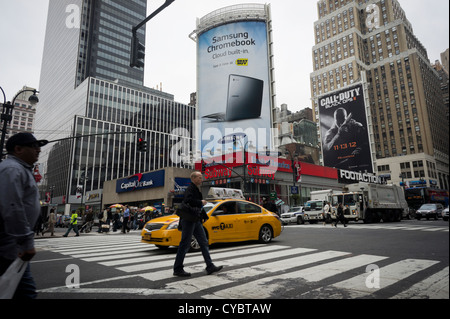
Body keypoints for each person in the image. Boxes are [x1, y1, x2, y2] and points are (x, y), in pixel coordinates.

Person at [0, 132, 49, 299]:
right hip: (9, 245)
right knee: (26, 292)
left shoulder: (20, 169)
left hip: (13, 245)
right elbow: (12, 207)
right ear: (18, 149)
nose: (38, 150)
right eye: (34, 146)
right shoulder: (12, 169)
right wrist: (26, 241)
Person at [173, 171, 222, 277]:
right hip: (189, 219)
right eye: (199, 177)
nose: (201, 179)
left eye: (201, 177)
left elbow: (198, 206)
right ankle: (177, 268)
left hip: (196, 219)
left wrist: (204, 215)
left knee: (204, 242)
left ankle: (210, 266)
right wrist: (201, 202)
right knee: (185, 243)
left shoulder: (195, 189)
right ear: (194, 178)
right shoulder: (190, 189)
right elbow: (188, 201)